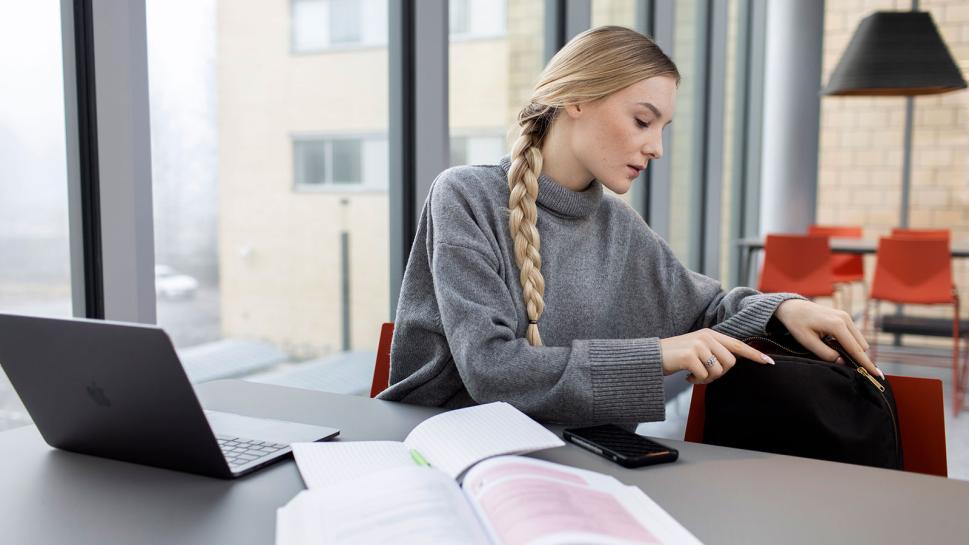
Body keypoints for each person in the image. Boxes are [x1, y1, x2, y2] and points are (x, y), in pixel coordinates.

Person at [378, 26, 877, 426]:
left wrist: (783, 307)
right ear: (576, 99)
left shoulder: (620, 226)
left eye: (663, 129)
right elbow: (492, 370)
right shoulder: (465, 196)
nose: (656, 147)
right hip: (442, 446)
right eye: (643, 121)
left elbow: (706, 308)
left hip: (568, 457)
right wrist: (659, 355)